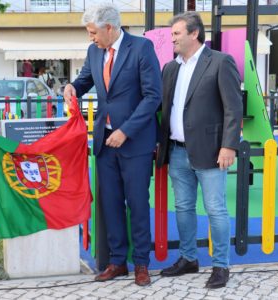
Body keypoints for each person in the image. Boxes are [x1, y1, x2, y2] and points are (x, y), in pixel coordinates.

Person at [63, 3, 162, 286]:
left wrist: (126, 131)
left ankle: (141, 263)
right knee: (110, 204)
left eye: (93, 32)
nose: (90, 38)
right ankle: (117, 262)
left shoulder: (141, 49)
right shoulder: (95, 51)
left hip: (134, 143)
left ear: (109, 28)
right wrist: (71, 87)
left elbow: (152, 97)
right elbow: (84, 81)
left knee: (138, 204)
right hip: (105, 143)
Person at [156, 12, 243, 289]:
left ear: (194, 34)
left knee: (215, 209)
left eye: (176, 34)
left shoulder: (220, 62)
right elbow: (164, 108)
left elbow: (233, 107)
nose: (172, 39)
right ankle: (188, 258)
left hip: (211, 151)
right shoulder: (170, 68)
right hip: (177, 151)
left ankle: (221, 265)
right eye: (172, 35)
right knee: (183, 207)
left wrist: (228, 145)